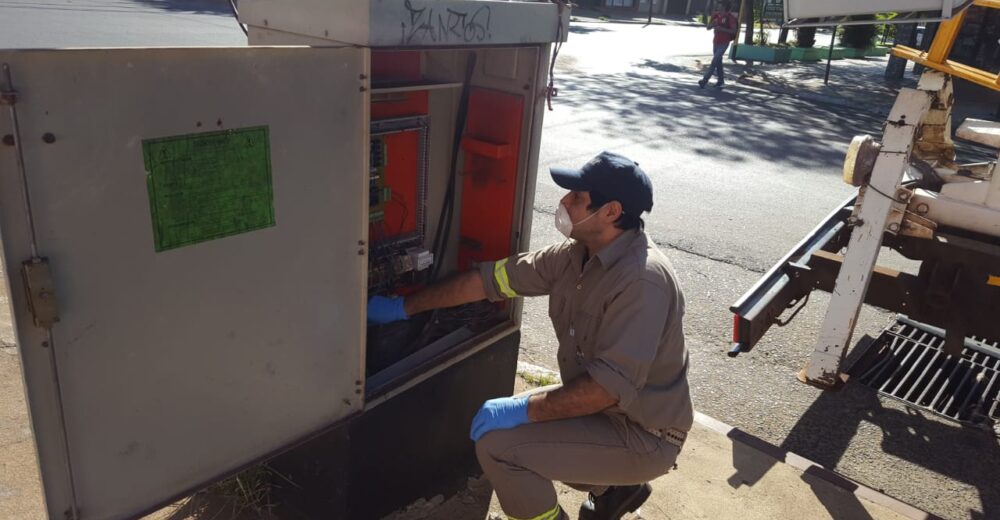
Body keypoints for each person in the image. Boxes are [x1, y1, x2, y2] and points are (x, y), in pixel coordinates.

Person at [368, 151, 693, 520]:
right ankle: (616, 488)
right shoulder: (576, 256)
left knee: (499, 448)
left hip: (644, 433)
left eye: (577, 196)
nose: (564, 202)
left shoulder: (641, 281)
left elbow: (605, 388)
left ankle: (608, 485)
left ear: (611, 212)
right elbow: (488, 281)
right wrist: (403, 307)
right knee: (520, 429)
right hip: (607, 409)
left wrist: (523, 409)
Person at [700, 0, 739, 88]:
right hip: (716, 42)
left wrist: (722, 29)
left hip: (724, 43)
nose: (717, 6)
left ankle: (704, 80)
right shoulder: (715, 15)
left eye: (719, 5)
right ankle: (721, 80)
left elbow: (734, 31)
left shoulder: (730, 18)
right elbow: (708, 27)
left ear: (724, 7)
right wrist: (712, 24)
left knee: (714, 61)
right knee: (718, 62)